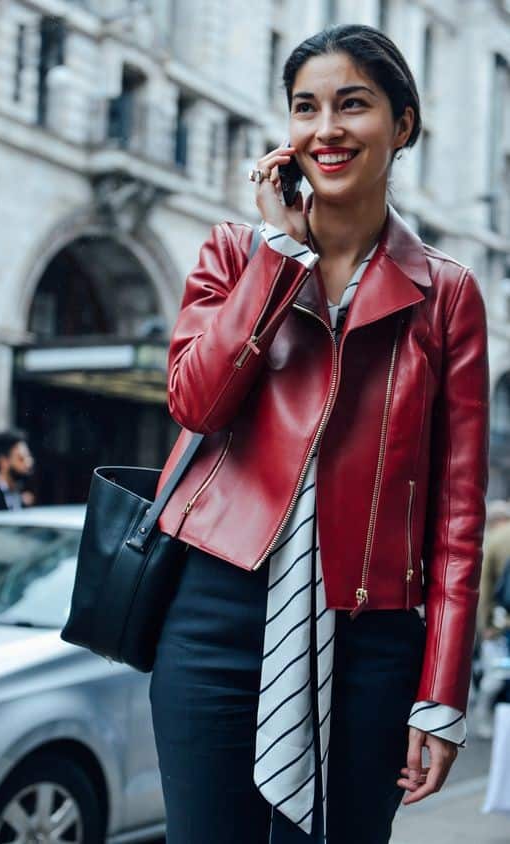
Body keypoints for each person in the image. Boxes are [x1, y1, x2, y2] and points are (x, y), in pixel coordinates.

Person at [150, 25, 489, 844]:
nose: (326, 128)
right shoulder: (237, 255)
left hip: (371, 635)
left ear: (402, 124)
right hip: (214, 619)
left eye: (353, 104)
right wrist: (277, 261)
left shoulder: (447, 296)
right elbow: (196, 404)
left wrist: (441, 694)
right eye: (306, 108)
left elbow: (456, 513)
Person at [474, 501, 510, 737]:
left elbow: (484, 587)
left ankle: (485, 715)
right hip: (503, 621)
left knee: (498, 671)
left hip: (500, 621)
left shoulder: (493, 539)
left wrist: (484, 625)